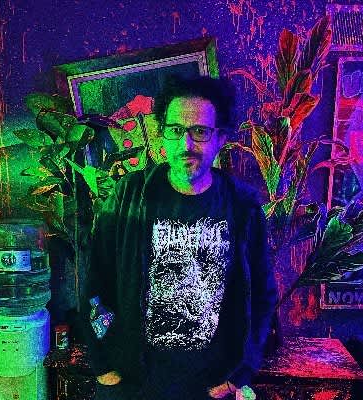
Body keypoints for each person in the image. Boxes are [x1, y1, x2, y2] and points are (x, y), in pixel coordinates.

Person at [80, 75, 277, 400]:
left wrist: (240, 373)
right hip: (132, 385)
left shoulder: (243, 206)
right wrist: (104, 364)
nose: (186, 145)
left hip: (211, 388)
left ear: (220, 138)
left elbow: (263, 296)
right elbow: (95, 283)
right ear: (163, 134)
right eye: (175, 130)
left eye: (199, 131)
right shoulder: (129, 196)